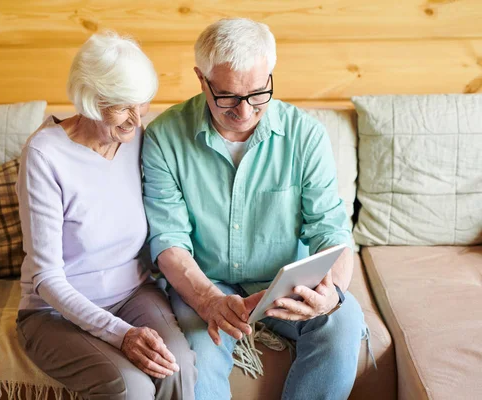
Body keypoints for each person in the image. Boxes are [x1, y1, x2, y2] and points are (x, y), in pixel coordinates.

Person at [142, 18, 366, 400]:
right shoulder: (164, 137)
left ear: (270, 75)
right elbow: (168, 240)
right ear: (201, 79)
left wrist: (331, 292)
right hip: (205, 282)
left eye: (258, 94)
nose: (244, 111)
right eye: (227, 96)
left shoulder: (305, 135)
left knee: (342, 323)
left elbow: (330, 229)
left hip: (287, 283)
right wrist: (209, 301)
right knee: (198, 357)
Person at [15, 32, 197, 400]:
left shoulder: (137, 139)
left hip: (134, 293)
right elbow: (46, 277)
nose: (135, 118)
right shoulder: (44, 155)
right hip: (54, 312)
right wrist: (120, 334)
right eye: (121, 106)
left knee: (177, 365)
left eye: (141, 104)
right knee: (129, 386)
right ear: (90, 99)